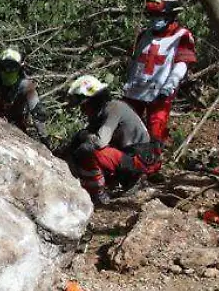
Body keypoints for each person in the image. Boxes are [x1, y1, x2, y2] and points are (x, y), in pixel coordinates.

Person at [66, 75, 163, 206]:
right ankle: (117, 182)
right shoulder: (104, 111)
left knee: (90, 151)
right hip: (133, 157)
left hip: (141, 159)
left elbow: (100, 142)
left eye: (83, 106)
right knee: (83, 146)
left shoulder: (113, 108)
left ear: (92, 101)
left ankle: (98, 193)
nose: (83, 111)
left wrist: (84, 136)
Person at [121, 0, 196, 145]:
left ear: (170, 15)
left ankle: (151, 164)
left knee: (155, 135)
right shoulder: (144, 35)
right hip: (134, 92)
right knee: (126, 132)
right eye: (153, 16)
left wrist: (170, 86)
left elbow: (181, 65)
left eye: (160, 16)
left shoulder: (181, 36)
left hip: (160, 95)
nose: (156, 19)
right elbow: (134, 62)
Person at [0, 48, 51, 149]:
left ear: (20, 67)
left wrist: (45, 140)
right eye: (5, 66)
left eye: (13, 67)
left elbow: (38, 114)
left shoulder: (26, 85)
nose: (8, 70)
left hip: (15, 121)